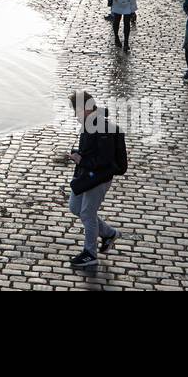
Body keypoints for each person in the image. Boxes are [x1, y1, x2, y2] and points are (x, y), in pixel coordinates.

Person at [65, 90, 122, 269]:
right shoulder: (90, 123)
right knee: (75, 207)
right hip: (86, 175)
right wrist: (79, 154)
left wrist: (80, 159)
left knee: (87, 214)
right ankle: (108, 233)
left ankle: (90, 254)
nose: (75, 115)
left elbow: (104, 161)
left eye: (77, 110)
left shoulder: (102, 127)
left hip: (98, 178)